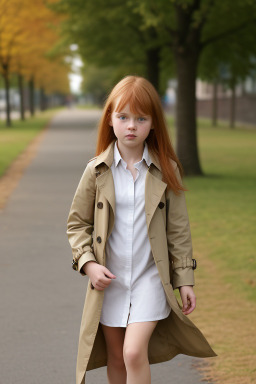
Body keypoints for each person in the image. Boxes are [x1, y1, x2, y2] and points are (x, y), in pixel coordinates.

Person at [66, 75, 216, 384]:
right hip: (109, 282)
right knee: (116, 357)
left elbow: (178, 231)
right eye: (123, 116)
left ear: (153, 124)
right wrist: (89, 264)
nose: (131, 125)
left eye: (140, 118)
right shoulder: (96, 170)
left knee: (134, 353)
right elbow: (77, 223)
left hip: (150, 279)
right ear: (110, 119)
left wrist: (185, 280)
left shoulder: (166, 170)